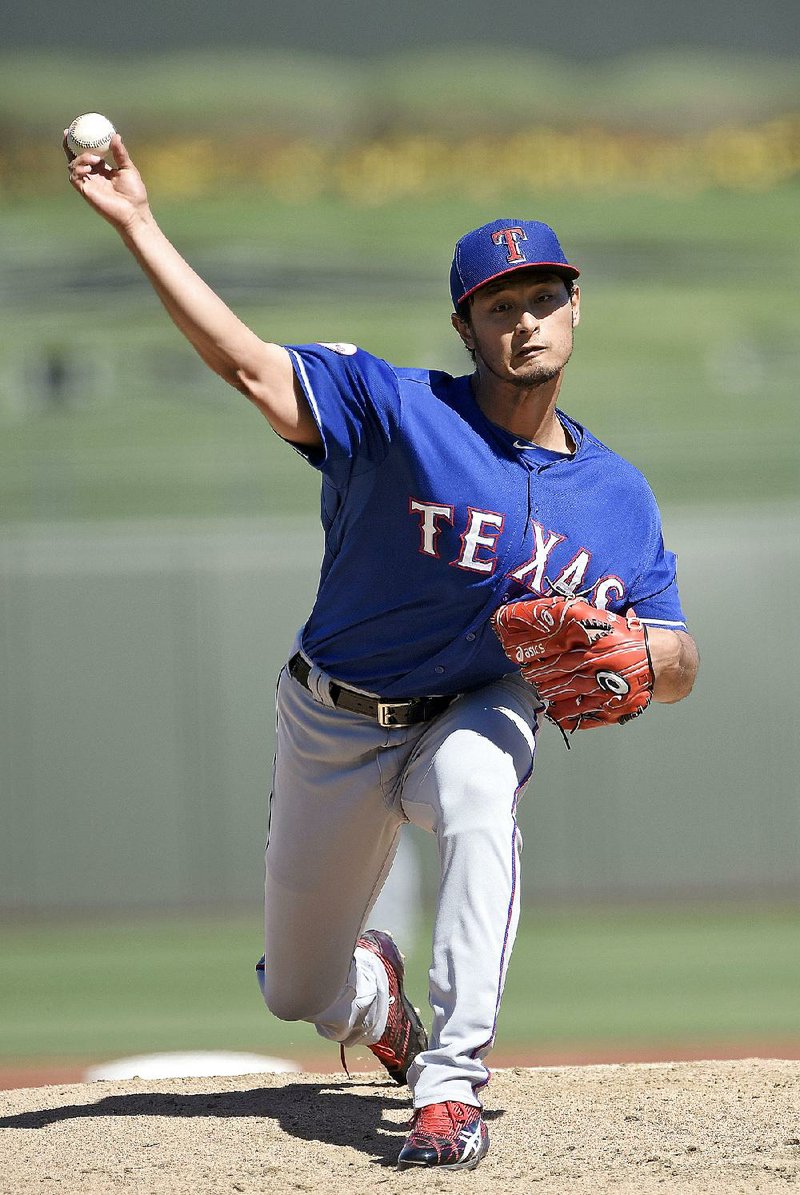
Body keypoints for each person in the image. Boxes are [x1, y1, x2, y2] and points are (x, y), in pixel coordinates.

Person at [66, 133, 699, 1172]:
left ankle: (450, 1085)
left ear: (575, 308)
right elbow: (245, 362)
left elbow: (675, 658)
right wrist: (137, 221)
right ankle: (372, 994)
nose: (525, 318)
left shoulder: (617, 496)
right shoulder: (393, 409)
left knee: (477, 790)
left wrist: (640, 652)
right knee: (295, 991)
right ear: (465, 325)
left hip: (472, 707)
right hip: (333, 718)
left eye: (543, 296)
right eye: (500, 304)